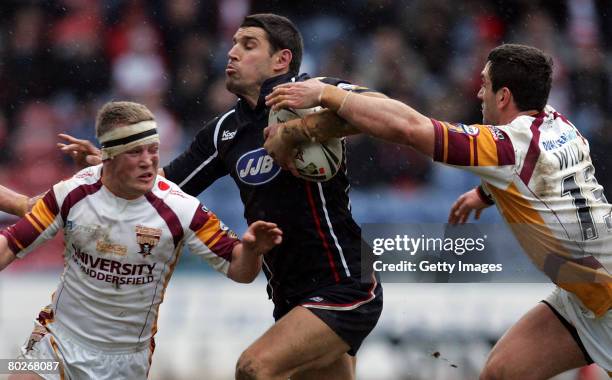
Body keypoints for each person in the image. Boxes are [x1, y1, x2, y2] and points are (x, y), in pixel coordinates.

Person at [22, 13, 384, 380]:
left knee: (254, 367)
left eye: (248, 45)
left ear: (282, 60)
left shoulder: (313, 95)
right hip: (290, 296)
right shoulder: (226, 131)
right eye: (233, 43)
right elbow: (160, 188)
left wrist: (301, 129)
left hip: (345, 280)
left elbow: (381, 109)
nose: (232, 53)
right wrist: (113, 163)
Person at [264, 43, 612, 379]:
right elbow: (544, 178)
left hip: (605, 296)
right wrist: (485, 193)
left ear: (504, 96)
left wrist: (328, 95)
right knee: (503, 373)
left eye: (485, 86)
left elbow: (410, 129)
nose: (479, 95)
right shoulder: (558, 124)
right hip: (583, 291)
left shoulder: (507, 148)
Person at [0, 101, 282, 380]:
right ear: (107, 156)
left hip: (125, 362)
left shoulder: (180, 208)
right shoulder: (72, 193)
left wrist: (253, 250)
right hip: (56, 343)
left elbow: (241, 270)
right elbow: (11, 244)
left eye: (154, 149)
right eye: (135, 152)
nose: (149, 161)